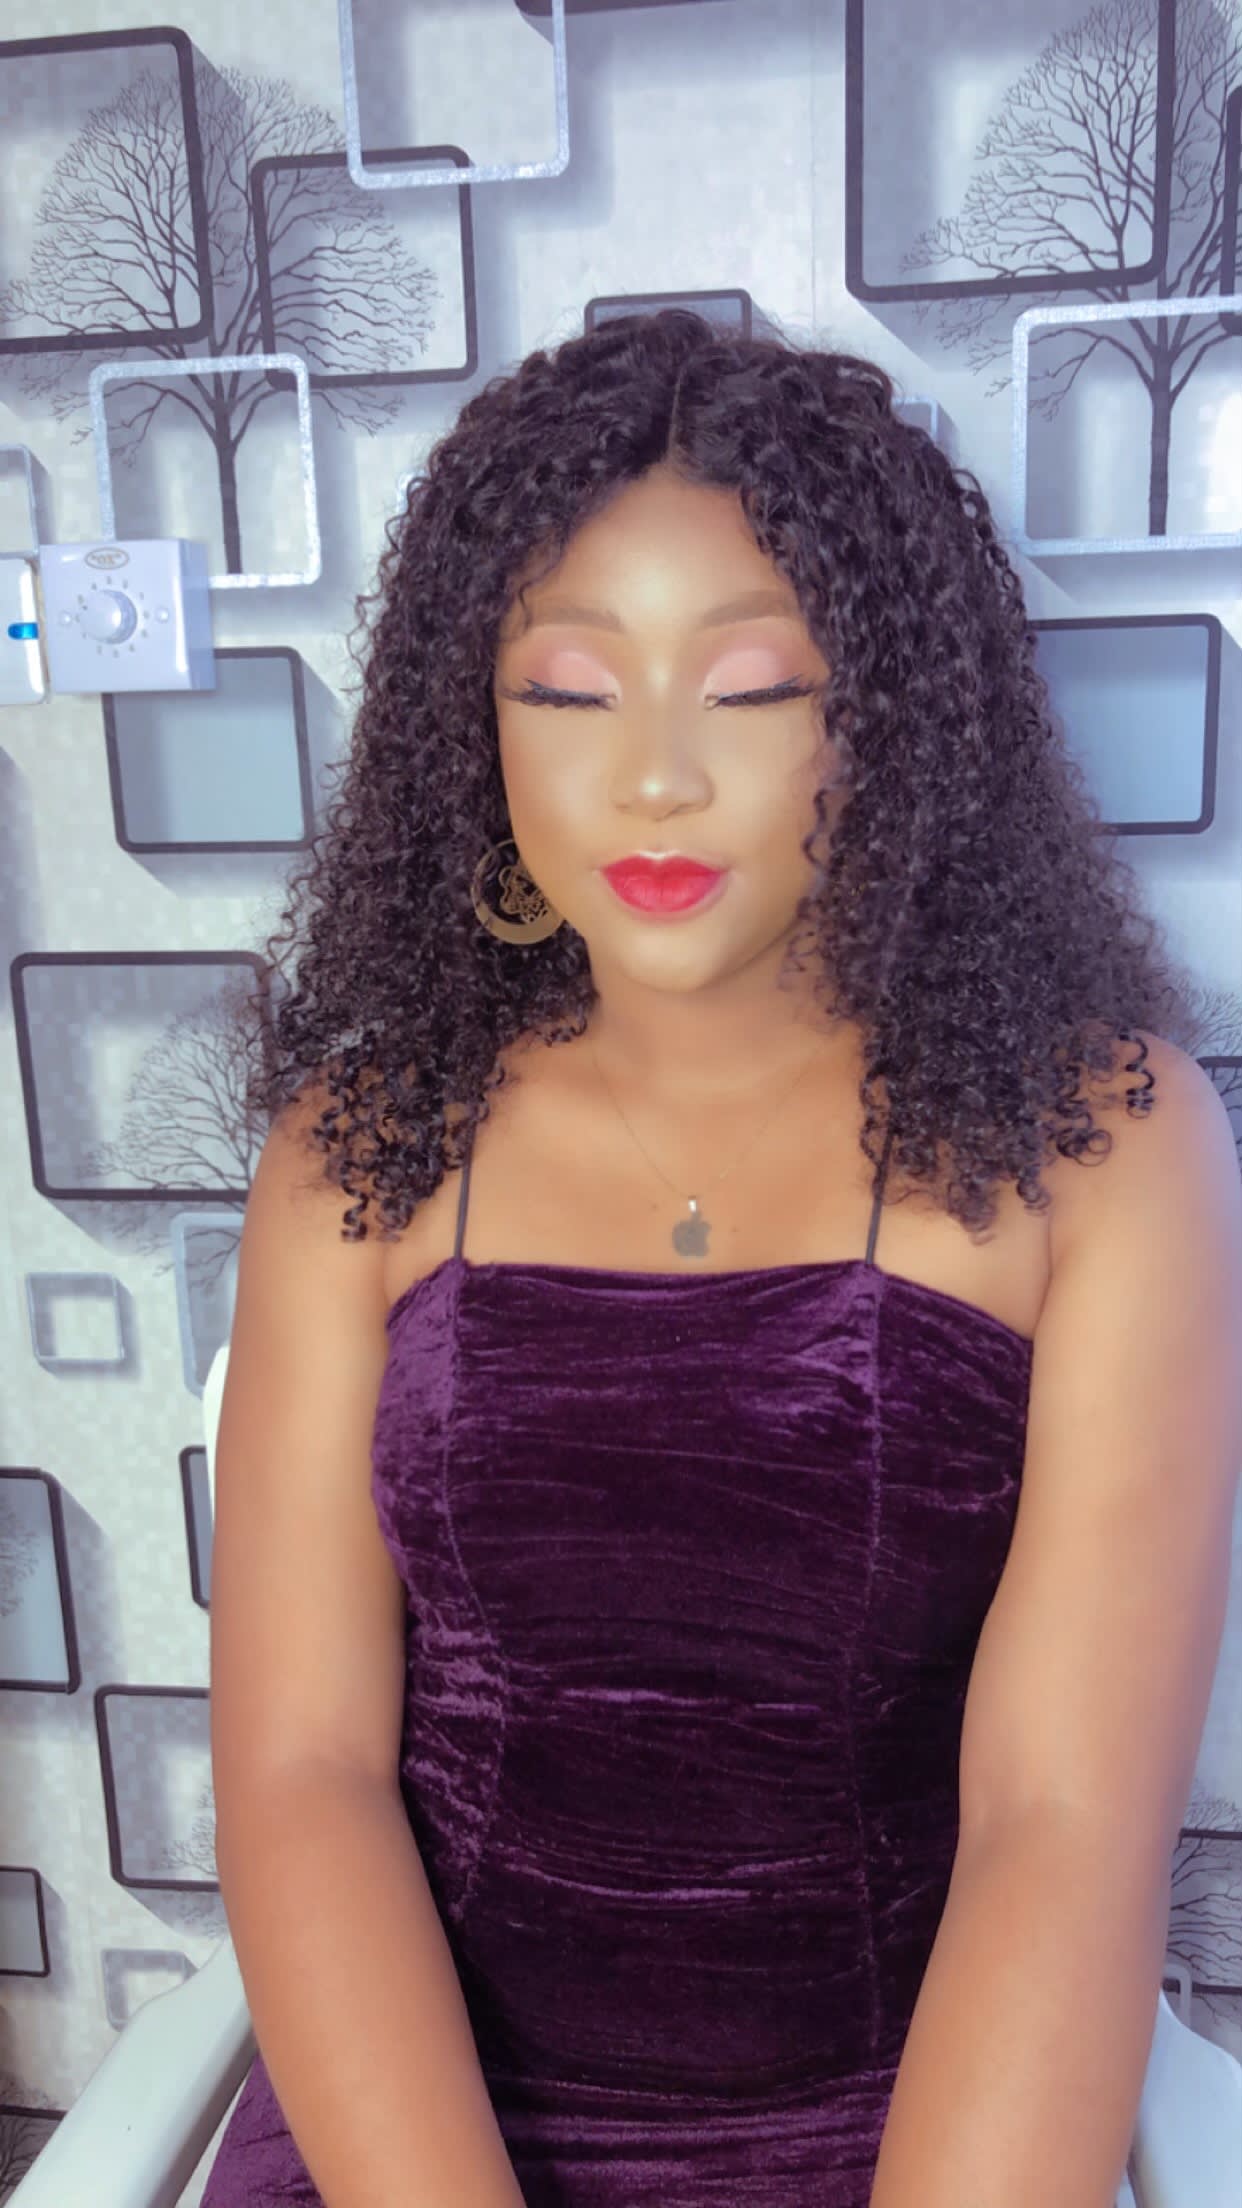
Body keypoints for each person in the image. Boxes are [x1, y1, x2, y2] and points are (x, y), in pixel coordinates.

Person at [201, 310, 1241, 2208]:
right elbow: (302, 1777)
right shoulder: (357, 1153)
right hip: (414, 2133)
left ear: (889, 720)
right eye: (569, 691)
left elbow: (1061, 1824)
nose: (655, 781)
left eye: (750, 689)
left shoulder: (1102, 1144)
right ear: (469, 727)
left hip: (909, 2125)